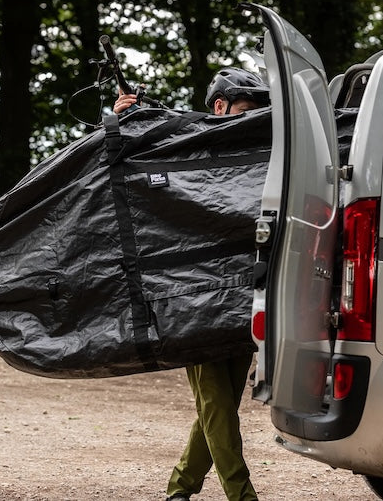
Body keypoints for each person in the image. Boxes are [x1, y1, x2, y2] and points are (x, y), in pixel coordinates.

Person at [114, 68, 268, 501]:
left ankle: (180, 488)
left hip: (242, 295)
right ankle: (242, 496)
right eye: (245, 110)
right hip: (191, 300)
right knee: (217, 404)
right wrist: (124, 120)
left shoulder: (256, 153)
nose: (252, 119)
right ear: (219, 106)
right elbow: (132, 160)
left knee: (220, 406)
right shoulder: (186, 144)